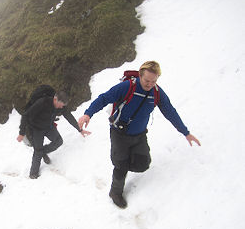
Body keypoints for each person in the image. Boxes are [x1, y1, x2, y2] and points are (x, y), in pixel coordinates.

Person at [78, 61, 200, 209]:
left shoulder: (156, 93)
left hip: (140, 135)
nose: (149, 84)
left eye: (153, 81)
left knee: (143, 164)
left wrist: (185, 132)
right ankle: (115, 192)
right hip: (119, 133)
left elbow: (170, 112)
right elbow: (104, 98)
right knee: (120, 165)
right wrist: (87, 114)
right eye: (146, 80)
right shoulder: (127, 87)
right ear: (140, 75)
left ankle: (121, 164)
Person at [17, 89, 90, 179]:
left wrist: (80, 129)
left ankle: (42, 152)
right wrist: (22, 133)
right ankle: (33, 174)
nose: (60, 107)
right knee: (37, 150)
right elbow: (26, 116)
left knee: (58, 141)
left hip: (48, 126)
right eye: (60, 105)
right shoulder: (42, 102)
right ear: (55, 99)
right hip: (36, 129)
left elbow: (69, 116)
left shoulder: (61, 106)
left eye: (63, 106)